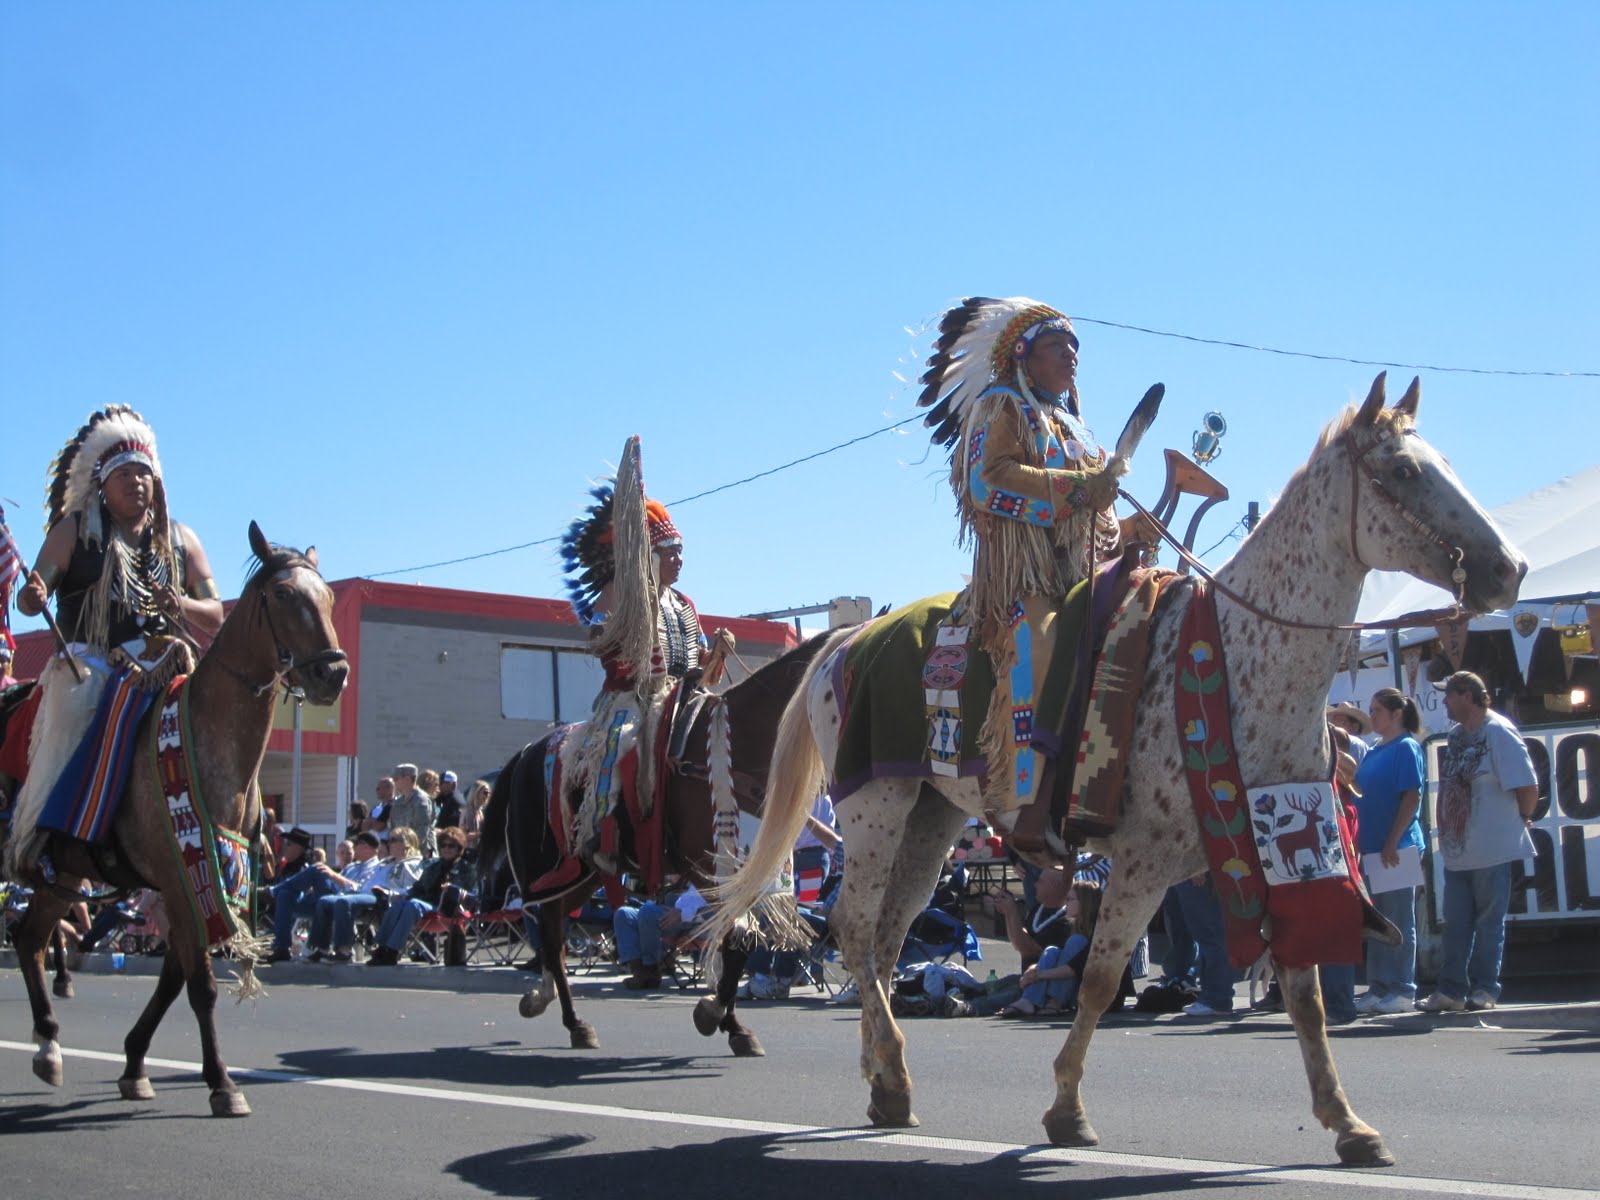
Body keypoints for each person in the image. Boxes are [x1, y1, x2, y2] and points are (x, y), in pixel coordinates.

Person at [915, 298, 1150, 839]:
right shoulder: (1000, 406)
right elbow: (986, 482)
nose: (1070, 355)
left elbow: (1099, 508)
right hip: (1025, 579)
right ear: (1023, 356)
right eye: (1055, 346)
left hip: (1086, 570)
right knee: (1040, 642)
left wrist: (1129, 529)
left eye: (1074, 346)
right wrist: (1075, 489)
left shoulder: (1074, 425)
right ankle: (1026, 800)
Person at [2, 406, 224, 879]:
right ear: (102, 483)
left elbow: (216, 615)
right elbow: (29, 597)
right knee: (73, 715)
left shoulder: (181, 541)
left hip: (164, 660)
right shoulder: (75, 530)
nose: (135, 482)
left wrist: (178, 605)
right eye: (123, 473)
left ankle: (231, 833)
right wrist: (33, 592)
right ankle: (39, 838)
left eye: (143, 473)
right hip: (90, 662)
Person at [558, 441, 733, 875]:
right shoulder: (617, 594)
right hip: (631, 700)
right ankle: (601, 831)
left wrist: (716, 654)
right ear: (648, 556)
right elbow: (604, 647)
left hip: (683, 698)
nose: (678, 560)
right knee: (622, 746)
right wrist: (621, 630)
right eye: (669, 552)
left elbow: (697, 668)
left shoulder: (684, 603)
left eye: (680, 551)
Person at [1418, 671, 1538, 1013]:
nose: (1444, 702)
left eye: (1449, 695)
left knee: (1488, 923)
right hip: (1458, 852)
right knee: (1455, 924)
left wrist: (1523, 817)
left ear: (1467, 695)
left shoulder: (1498, 731)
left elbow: (1527, 785)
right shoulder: (1456, 736)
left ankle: (1485, 989)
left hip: (1492, 849)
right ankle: (1452, 991)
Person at [1353, 688, 1426, 1015]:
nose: (1373, 716)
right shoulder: (1373, 749)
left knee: (1398, 920)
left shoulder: (1406, 747)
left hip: (1396, 849)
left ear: (1397, 713)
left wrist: (1391, 842)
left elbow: (1411, 798)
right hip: (1371, 849)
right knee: (1376, 921)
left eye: (1378, 710)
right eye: (1371, 709)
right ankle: (1379, 986)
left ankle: (1402, 988)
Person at [265, 831, 385, 963]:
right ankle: (282, 948)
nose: (354, 847)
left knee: (319, 869)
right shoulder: (352, 867)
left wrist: (333, 875)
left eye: (357, 844)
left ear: (366, 847)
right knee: (285, 895)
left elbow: (361, 890)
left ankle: (272, 892)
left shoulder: (378, 868)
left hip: (348, 902)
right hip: (329, 899)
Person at [308, 826, 423, 962]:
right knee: (324, 901)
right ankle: (322, 949)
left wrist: (389, 892)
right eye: (389, 840)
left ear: (406, 843)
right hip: (364, 893)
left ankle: (344, 951)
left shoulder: (412, 864)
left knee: (343, 902)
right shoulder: (385, 862)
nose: (388, 843)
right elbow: (367, 883)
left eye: (393, 840)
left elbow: (412, 889)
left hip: (381, 897)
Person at [367, 826, 475, 966]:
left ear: (459, 848)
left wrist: (453, 889)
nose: (446, 849)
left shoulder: (467, 868)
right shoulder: (432, 865)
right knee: (400, 904)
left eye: (451, 846)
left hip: (449, 911)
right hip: (426, 907)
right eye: (443, 845)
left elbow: (474, 895)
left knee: (413, 905)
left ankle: (392, 951)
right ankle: (381, 948)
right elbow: (417, 888)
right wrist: (401, 896)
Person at [613, 885, 708, 989]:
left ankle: (651, 970)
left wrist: (683, 913)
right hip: (664, 906)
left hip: (687, 919)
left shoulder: (714, 875)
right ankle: (639, 972)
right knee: (623, 914)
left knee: (648, 913)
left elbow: (713, 906)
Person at [388, 763, 436, 856]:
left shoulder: (422, 800)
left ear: (407, 779)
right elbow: (393, 829)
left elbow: (422, 831)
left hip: (422, 854)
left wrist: (408, 849)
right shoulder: (397, 803)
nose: (394, 782)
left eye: (396, 779)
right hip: (401, 854)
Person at [462, 779, 493, 845]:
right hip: (469, 851)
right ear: (476, 793)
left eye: (489, 793)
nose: (488, 796)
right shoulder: (468, 811)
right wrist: (484, 835)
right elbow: (464, 835)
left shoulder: (479, 811)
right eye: (485, 793)